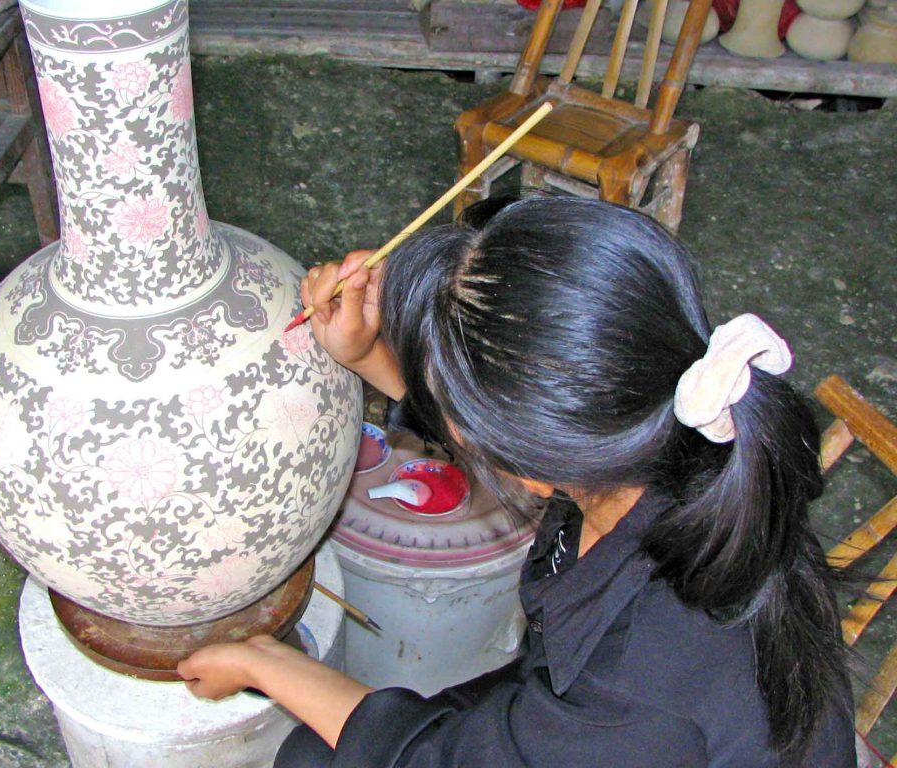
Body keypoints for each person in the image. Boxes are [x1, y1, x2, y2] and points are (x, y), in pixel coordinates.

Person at [178, 194, 856, 767]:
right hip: (576, 703)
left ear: (530, 456)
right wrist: (364, 357)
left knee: (309, 755)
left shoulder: (639, 690)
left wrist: (266, 664)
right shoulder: (677, 447)